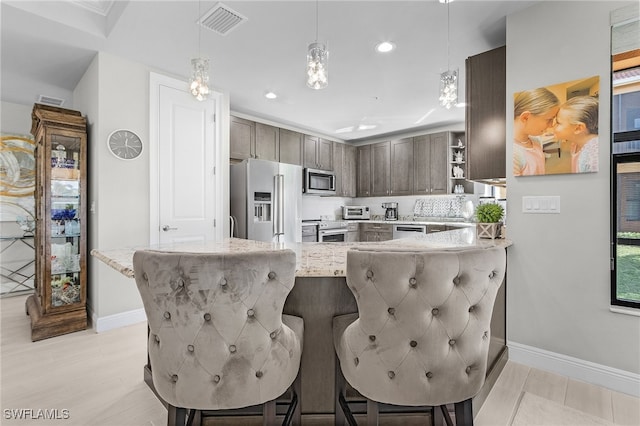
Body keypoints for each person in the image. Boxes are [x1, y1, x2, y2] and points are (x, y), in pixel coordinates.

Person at [513, 87, 560, 176]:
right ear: (525, 117)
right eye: (549, 119)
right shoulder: (513, 155)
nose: (551, 125)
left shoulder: (536, 140)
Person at [553, 95, 599, 173]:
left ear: (578, 128)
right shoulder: (575, 143)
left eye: (558, 122)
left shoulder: (594, 158)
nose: (552, 125)